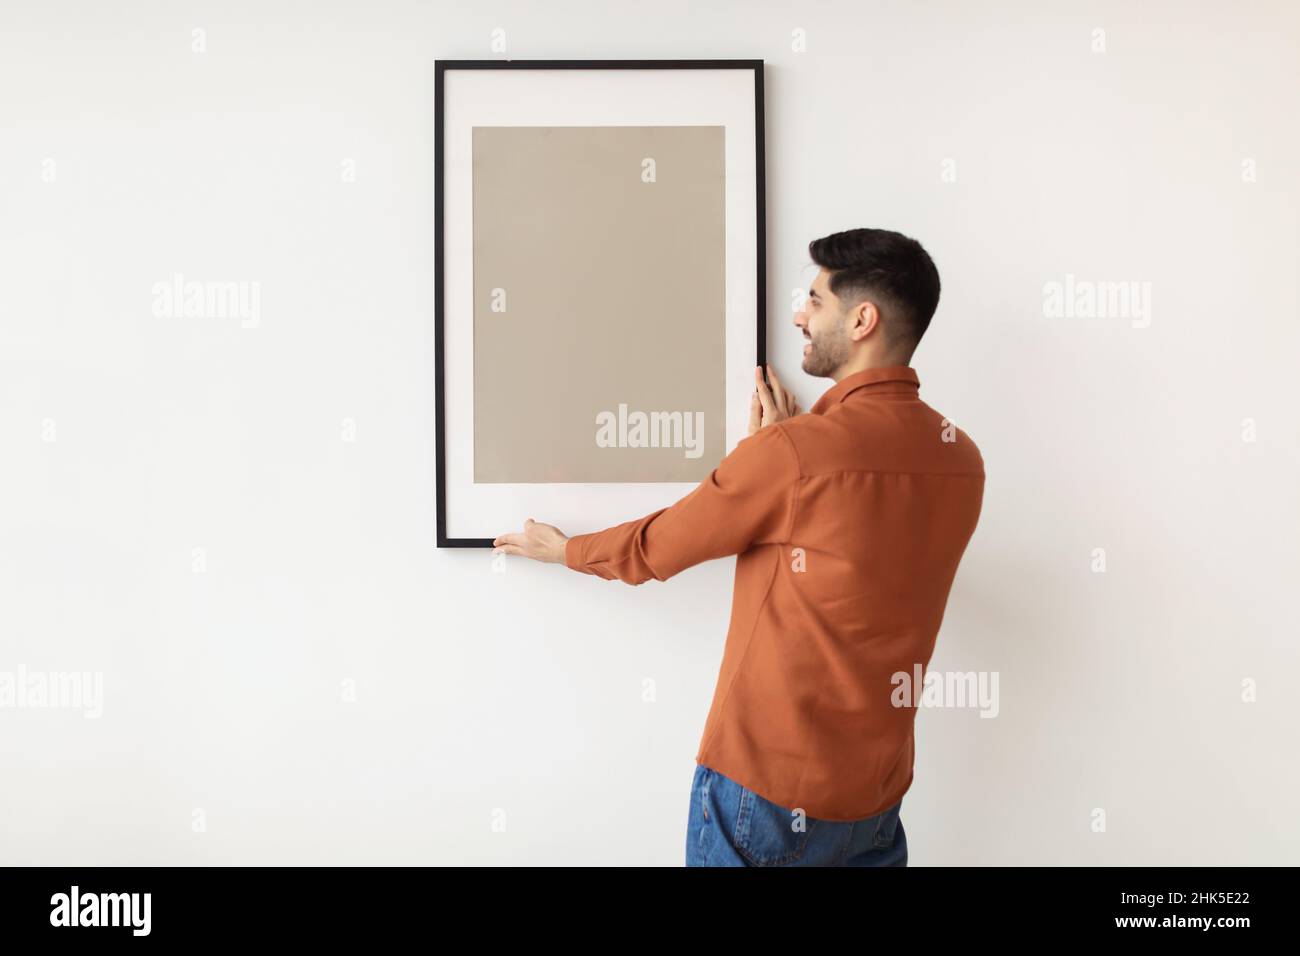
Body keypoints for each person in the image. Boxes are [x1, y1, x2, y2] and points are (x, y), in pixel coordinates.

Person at [493, 227, 985, 866]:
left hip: (767, 798)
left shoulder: (792, 457)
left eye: (815, 300)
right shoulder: (962, 461)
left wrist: (564, 549)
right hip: (875, 805)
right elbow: (854, 541)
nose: (799, 316)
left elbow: (659, 547)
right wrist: (788, 452)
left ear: (863, 319)